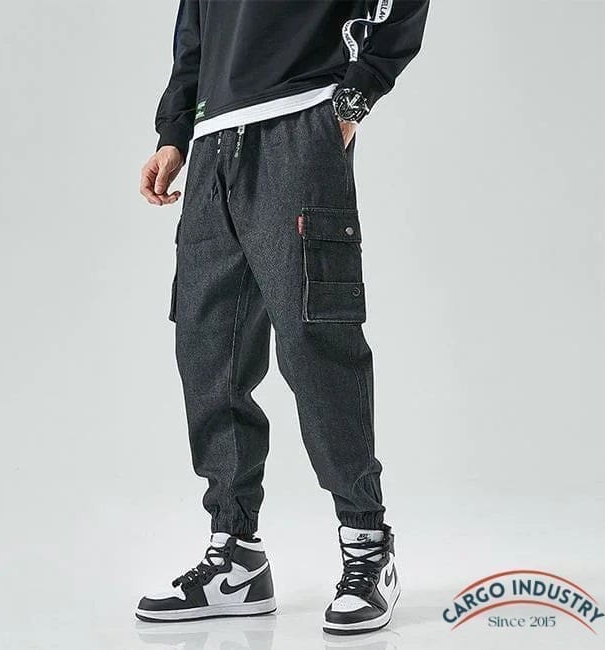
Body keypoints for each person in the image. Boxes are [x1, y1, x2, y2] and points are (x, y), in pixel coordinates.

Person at [136, 0, 429, 635]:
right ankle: (235, 554)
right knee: (208, 350)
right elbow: (195, 31)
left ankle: (367, 543)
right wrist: (174, 131)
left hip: (300, 124)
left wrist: (353, 99)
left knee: (315, 344)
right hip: (213, 141)